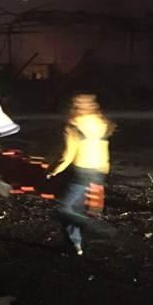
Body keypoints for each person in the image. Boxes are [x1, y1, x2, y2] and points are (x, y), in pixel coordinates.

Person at [47, 93, 115, 256]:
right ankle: (75, 245)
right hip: (99, 171)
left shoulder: (74, 126)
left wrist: (52, 171)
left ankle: (93, 228)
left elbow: (67, 156)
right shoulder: (102, 122)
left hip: (81, 173)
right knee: (77, 209)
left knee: (63, 209)